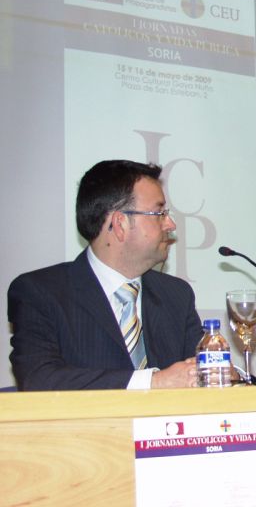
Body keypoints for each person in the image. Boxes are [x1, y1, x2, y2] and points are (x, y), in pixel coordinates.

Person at [7, 160, 204, 390]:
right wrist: (153, 381)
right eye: (159, 213)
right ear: (119, 223)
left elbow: (203, 373)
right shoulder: (40, 292)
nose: (170, 224)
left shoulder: (177, 295)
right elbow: (39, 379)